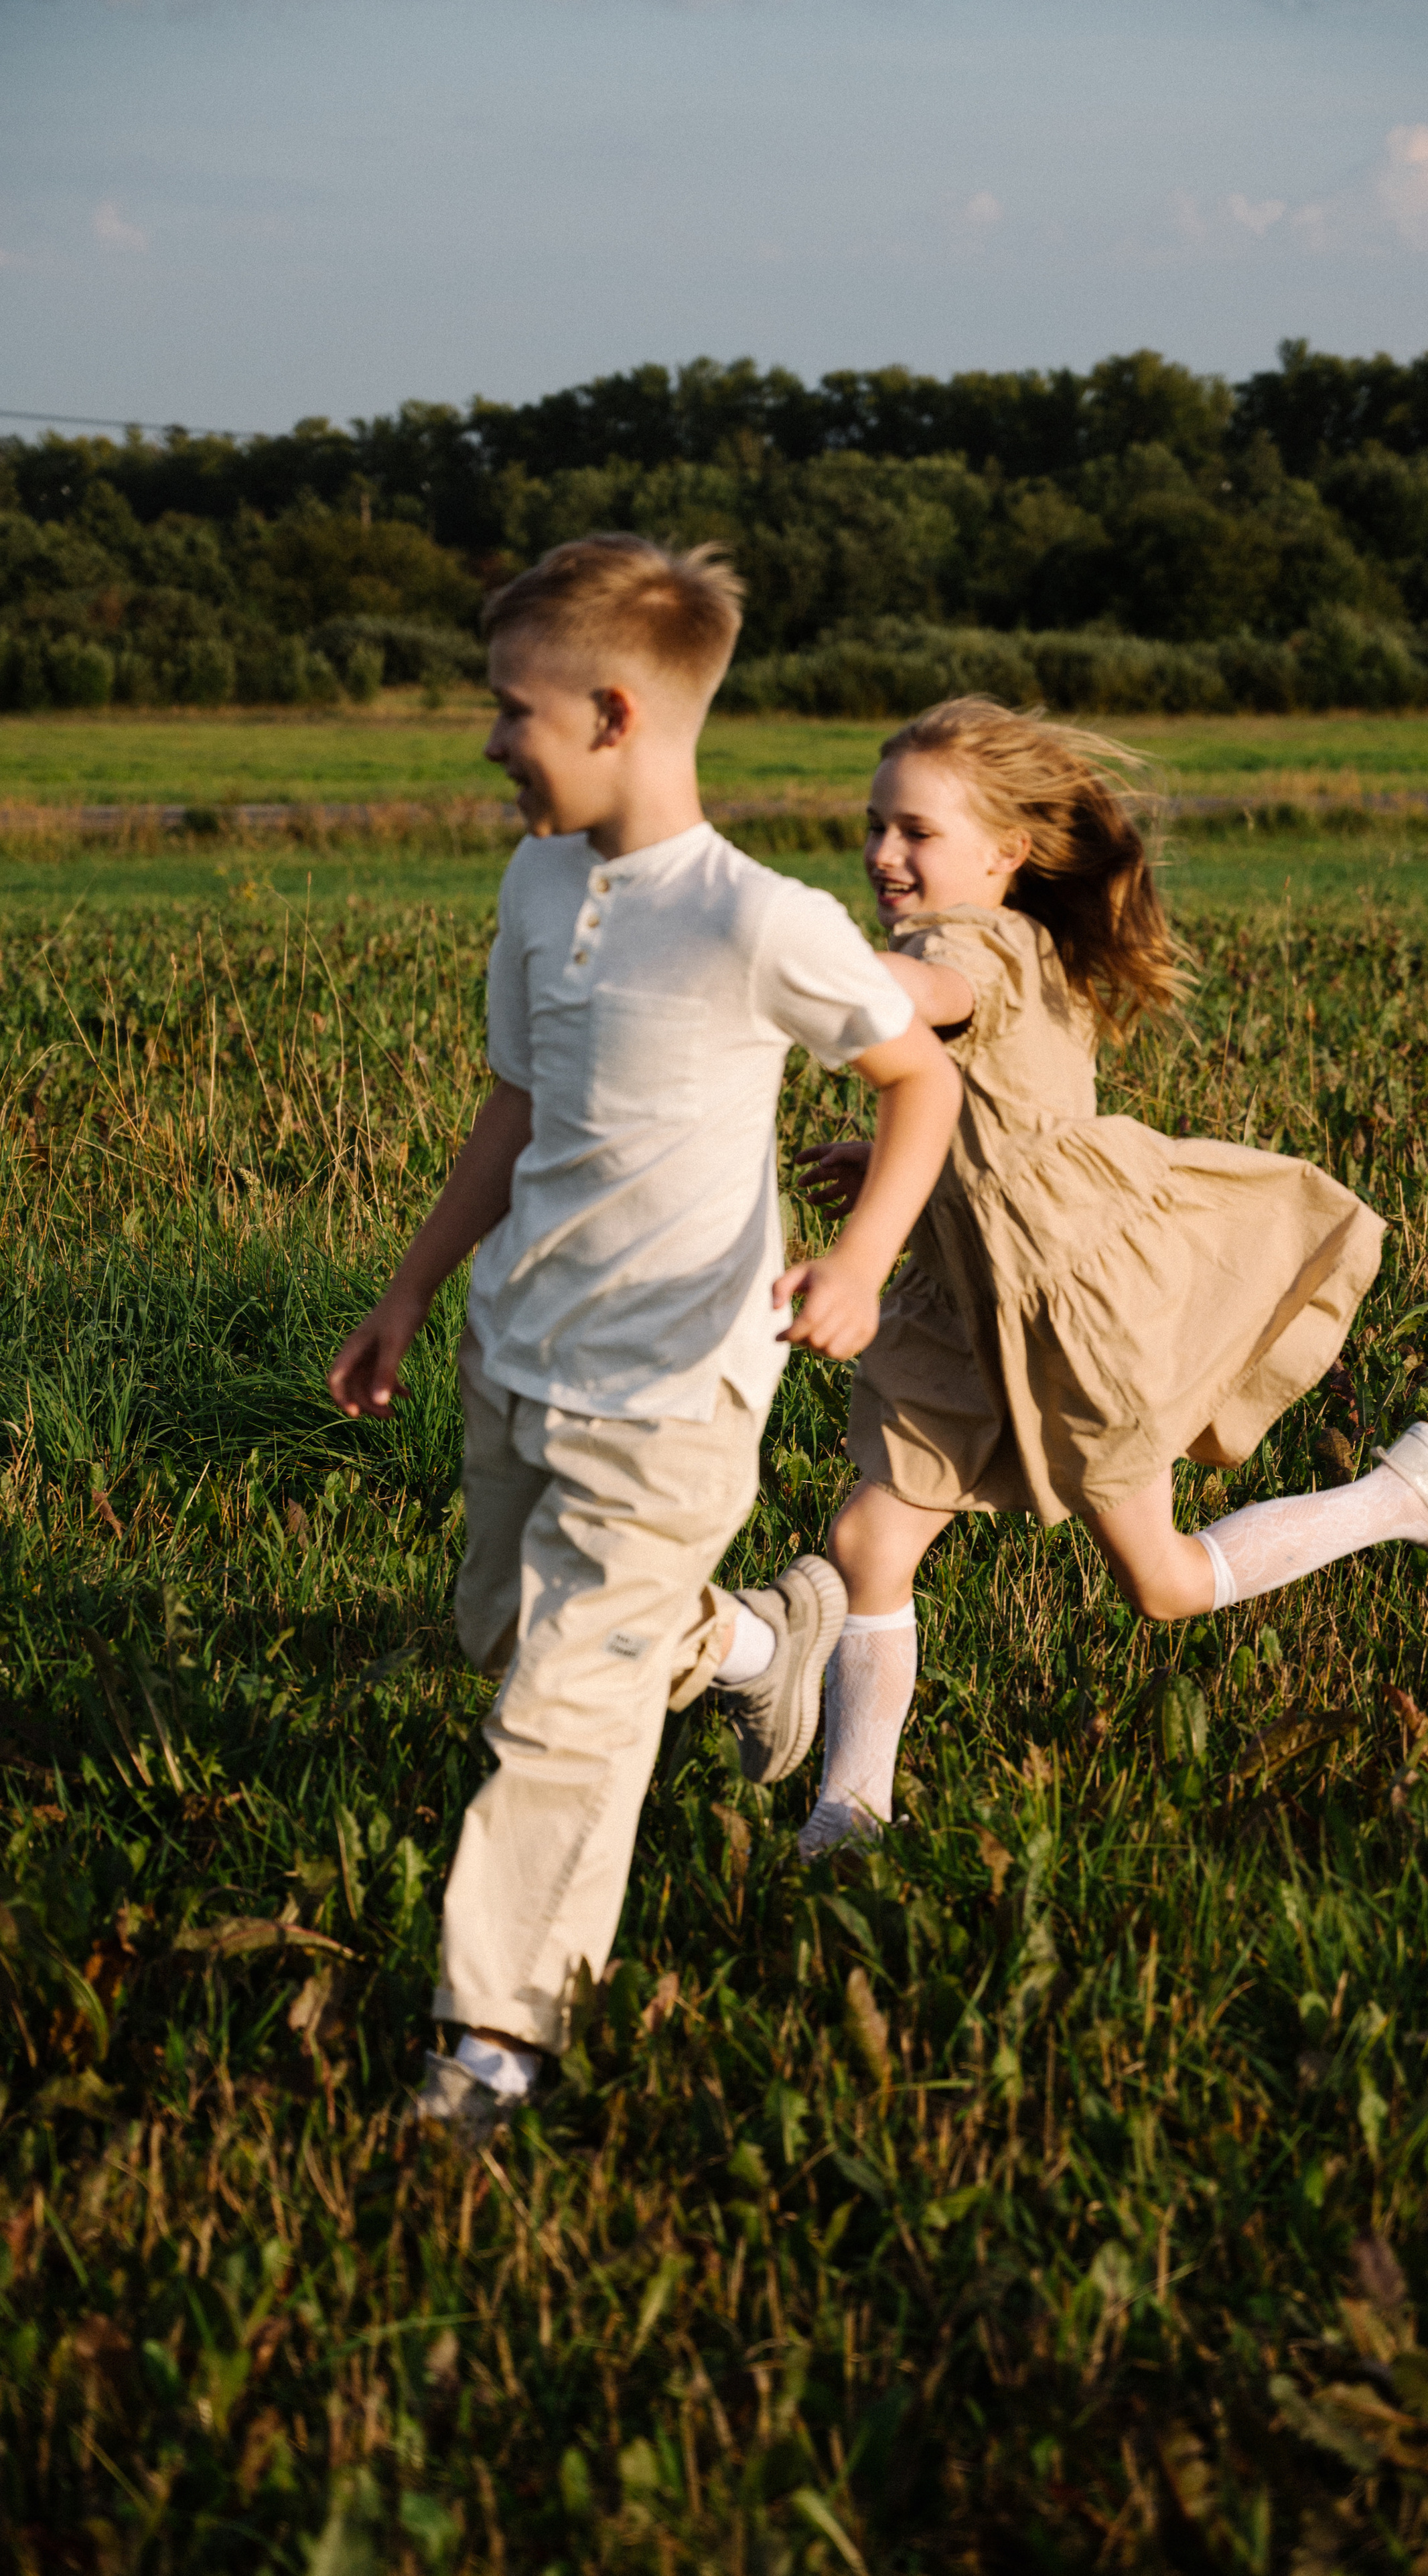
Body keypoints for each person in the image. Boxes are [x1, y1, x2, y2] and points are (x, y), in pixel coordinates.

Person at [326, 537, 962, 2138]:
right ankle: (758, 1648)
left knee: (561, 1714)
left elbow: (921, 1079)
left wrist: (861, 1261)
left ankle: (493, 2041)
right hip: (518, 1348)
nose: (490, 740)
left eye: (512, 711)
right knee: (500, 1632)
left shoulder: (758, 919)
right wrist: (411, 1288)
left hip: (676, 1394)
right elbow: (514, 1104)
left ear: (613, 712)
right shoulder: (538, 882)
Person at [789, 696, 1428, 1858]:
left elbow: (925, 1001)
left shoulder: (974, 946)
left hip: (1070, 1309)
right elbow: (995, 1117)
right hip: (966, 1300)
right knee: (872, 1542)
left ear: (1006, 852)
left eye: (915, 831)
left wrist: (779, 952)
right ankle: (851, 1811)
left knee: (1164, 1586)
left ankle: (1399, 1499)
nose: (883, 852)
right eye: (875, 826)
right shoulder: (985, 939)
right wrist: (892, 1166)